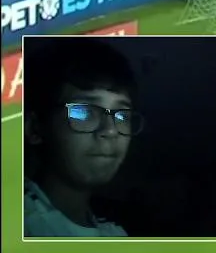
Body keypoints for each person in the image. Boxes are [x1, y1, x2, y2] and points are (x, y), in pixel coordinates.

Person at [23, 37, 141, 237]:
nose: (111, 130)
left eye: (122, 115)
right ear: (35, 128)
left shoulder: (116, 236)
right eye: (84, 111)